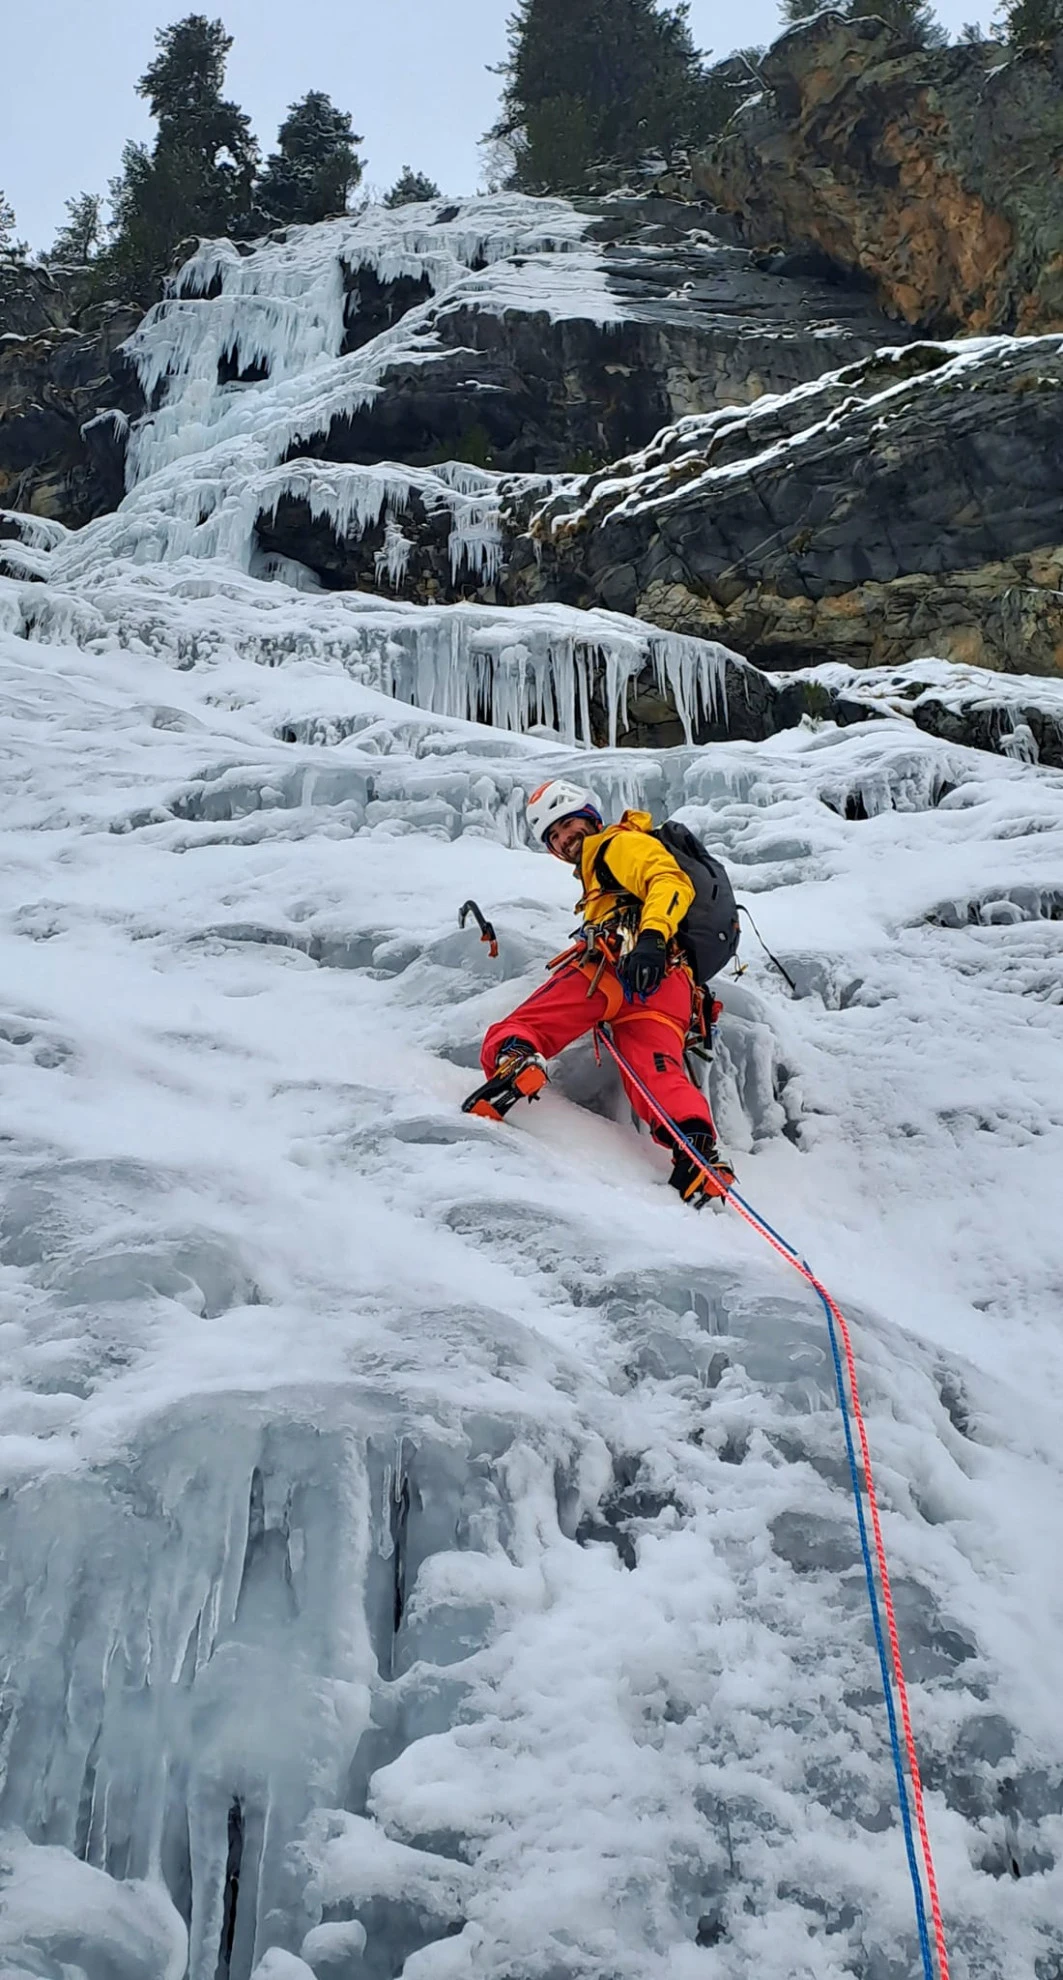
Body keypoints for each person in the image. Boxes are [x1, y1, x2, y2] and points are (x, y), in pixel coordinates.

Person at [464, 779, 735, 1205]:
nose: (564, 839)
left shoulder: (616, 845)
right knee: (658, 1071)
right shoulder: (601, 871)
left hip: (617, 962)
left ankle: (514, 1058)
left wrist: (650, 937)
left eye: (568, 825)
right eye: (553, 836)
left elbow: (669, 880)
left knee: (533, 1020)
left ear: (591, 817)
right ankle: (696, 1149)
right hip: (669, 985)